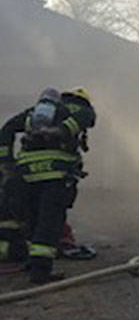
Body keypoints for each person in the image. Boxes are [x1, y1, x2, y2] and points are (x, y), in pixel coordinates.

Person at [0, 87, 96, 284]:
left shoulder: (34, 112)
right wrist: (58, 132)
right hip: (55, 175)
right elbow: (74, 125)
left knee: (31, 219)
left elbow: (7, 129)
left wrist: (6, 162)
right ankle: (40, 273)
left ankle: (30, 261)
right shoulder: (82, 110)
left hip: (25, 175)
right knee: (49, 222)